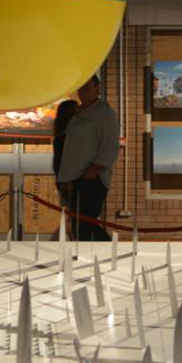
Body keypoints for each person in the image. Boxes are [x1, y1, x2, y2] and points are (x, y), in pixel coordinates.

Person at [56, 75, 119, 242]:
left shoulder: (104, 113)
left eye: (87, 87)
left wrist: (93, 171)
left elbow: (111, 145)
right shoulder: (77, 113)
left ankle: (109, 251)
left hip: (90, 178)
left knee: (86, 224)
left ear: (98, 88)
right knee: (78, 226)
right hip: (73, 178)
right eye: (81, 87)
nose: (83, 91)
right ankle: (88, 254)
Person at [50, 99, 78, 241]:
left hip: (64, 179)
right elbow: (66, 159)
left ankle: (71, 240)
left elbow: (58, 161)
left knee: (71, 215)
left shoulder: (60, 134)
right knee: (74, 217)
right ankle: (66, 241)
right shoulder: (69, 135)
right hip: (70, 180)